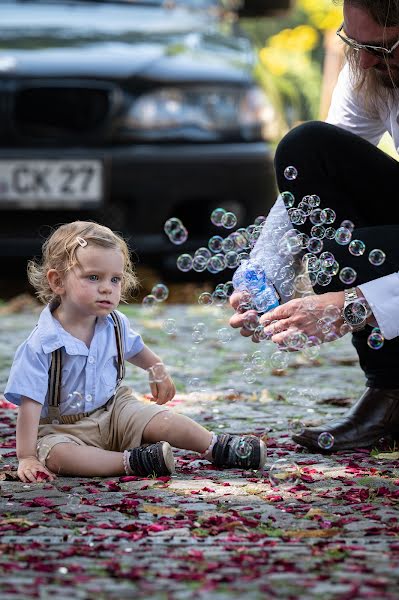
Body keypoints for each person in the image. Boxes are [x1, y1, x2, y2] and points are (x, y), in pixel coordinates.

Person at [230, 0, 399, 452]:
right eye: (355, 42)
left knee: (353, 256)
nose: (364, 60)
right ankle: (392, 391)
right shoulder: (372, 67)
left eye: (385, 46)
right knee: (308, 147)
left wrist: (354, 304)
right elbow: (317, 183)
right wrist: (265, 276)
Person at [5, 220, 266, 483]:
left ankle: (215, 445)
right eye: (94, 277)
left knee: (161, 419)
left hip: (115, 409)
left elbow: (137, 349)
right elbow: (30, 405)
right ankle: (133, 461)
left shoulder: (115, 323)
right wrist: (27, 456)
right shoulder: (41, 344)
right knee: (58, 456)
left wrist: (156, 368)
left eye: (115, 279)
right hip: (64, 427)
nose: (107, 287)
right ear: (57, 281)